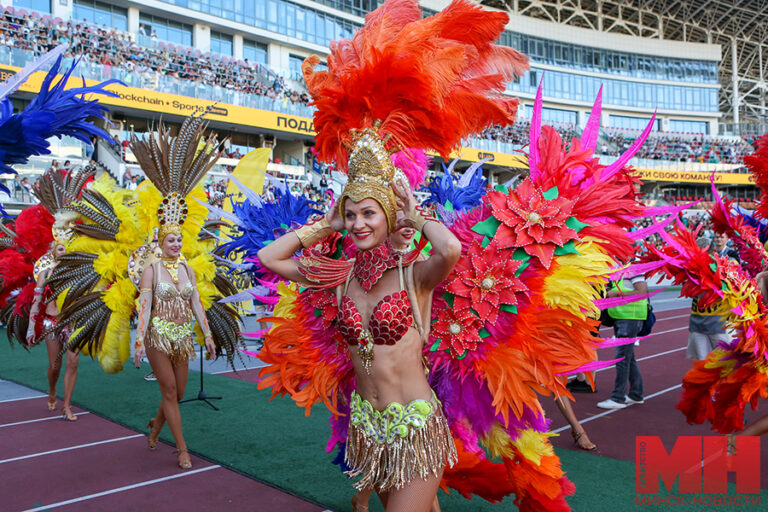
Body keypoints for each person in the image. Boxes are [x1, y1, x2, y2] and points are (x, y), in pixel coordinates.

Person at [259, 154, 461, 509]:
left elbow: (450, 249)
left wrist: (415, 217)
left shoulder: (413, 274)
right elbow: (269, 258)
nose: (357, 223)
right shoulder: (341, 276)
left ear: (387, 216)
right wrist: (325, 224)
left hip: (413, 427)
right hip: (368, 429)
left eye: (369, 213)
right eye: (351, 215)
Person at [27, 242, 80, 421]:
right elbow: (36, 302)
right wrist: (30, 329)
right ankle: (52, 390)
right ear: (53, 252)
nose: (64, 251)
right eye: (60, 248)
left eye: (67, 248)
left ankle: (66, 405)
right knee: (55, 366)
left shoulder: (80, 274)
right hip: (51, 323)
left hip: (73, 323)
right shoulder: (46, 273)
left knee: (73, 363)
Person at [597, 273, 648, 409]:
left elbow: (642, 291)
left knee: (621, 358)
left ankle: (618, 398)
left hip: (630, 318)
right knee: (629, 358)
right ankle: (636, 394)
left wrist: (617, 295)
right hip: (621, 316)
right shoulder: (618, 269)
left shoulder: (634, 269)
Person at [687, 236, 732, 361]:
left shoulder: (723, 268)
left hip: (718, 324)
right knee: (702, 365)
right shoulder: (690, 269)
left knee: (723, 364)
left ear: (713, 252)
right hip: (698, 323)